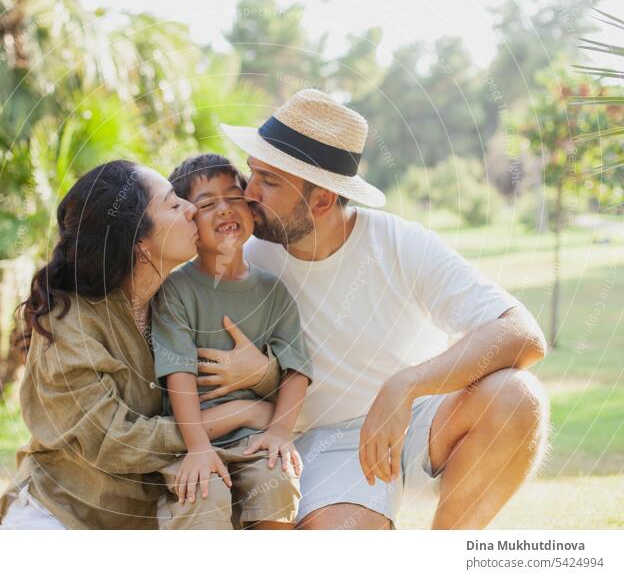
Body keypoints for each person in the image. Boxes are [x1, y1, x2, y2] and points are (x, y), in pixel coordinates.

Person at [206, 88, 551, 530]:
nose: (247, 193)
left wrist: (406, 387)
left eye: (269, 182)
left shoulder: (399, 243)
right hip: (327, 444)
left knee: (517, 396)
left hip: (423, 420)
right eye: (253, 173)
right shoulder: (247, 261)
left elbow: (523, 333)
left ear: (323, 200)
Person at [0, 159, 283, 529]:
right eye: (174, 204)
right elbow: (115, 440)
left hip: (156, 513)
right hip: (65, 514)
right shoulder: (70, 324)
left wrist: (261, 374)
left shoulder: (183, 297)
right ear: (141, 243)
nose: (192, 209)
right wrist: (237, 413)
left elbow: (266, 370)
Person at [149, 154, 312, 530]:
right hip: (194, 432)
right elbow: (179, 372)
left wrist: (279, 432)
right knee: (204, 492)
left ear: (252, 210)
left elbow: (296, 368)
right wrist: (198, 447)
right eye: (206, 204)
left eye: (234, 197)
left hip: (254, 436)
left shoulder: (273, 291)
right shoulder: (176, 290)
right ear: (189, 220)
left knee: (278, 481)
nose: (224, 209)